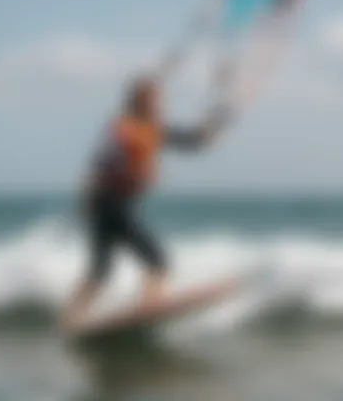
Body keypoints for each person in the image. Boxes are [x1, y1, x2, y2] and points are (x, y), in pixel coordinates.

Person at [63, 74, 232, 328]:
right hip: (110, 204)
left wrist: (216, 123)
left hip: (108, 205)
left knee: (100, 271)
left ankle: (70, 322)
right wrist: (85, 201)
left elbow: (194, 141)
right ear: (139, 102)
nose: (159, 105)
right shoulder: (123, 128)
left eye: (158, 100)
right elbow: (98, 166)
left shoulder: (150, 129)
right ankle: (148, 308)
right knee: (157, 261)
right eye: (154, 100)